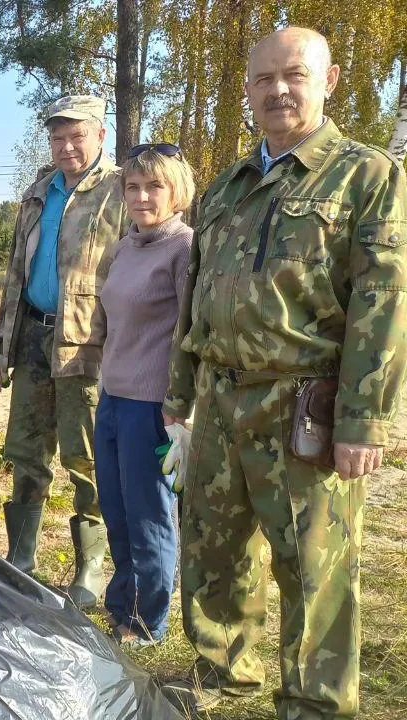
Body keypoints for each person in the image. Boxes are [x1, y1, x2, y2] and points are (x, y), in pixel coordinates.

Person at [161, 27, 407, 718]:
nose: (277, 90)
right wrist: (179, 393)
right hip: (218, 395)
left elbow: (382, 307)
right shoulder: (227, 186)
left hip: (305, 401)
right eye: (263, 79)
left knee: (313, 565)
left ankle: (316, 701)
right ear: (247, 89)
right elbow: (196, 297)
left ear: (327, 83)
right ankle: (221, 672)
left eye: (294, 75)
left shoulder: (367, 175)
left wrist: (363, 419)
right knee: (215, 548)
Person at [0, 94, 127, 609]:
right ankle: (22, 557)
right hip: (34, 339)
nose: (67, 146)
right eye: (58, 137)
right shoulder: (37, 193)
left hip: (87, 346)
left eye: (77, 135)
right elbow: (18, 275)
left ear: (100, 136)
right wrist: (1, 347)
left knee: (84, 458)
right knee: (25, 451)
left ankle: (89, 568)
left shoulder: (119, 192)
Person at [93, 143, 194, 647]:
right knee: (114, 506)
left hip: (153, 405)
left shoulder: (184, 248)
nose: (141, 196)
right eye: (132, 186)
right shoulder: (124, 247)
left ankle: (147, 621)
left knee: (149, 514)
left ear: (176, 191)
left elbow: (190, 331)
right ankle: (121, 606)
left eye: (154, 186)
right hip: (112, 397)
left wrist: (181, 407)